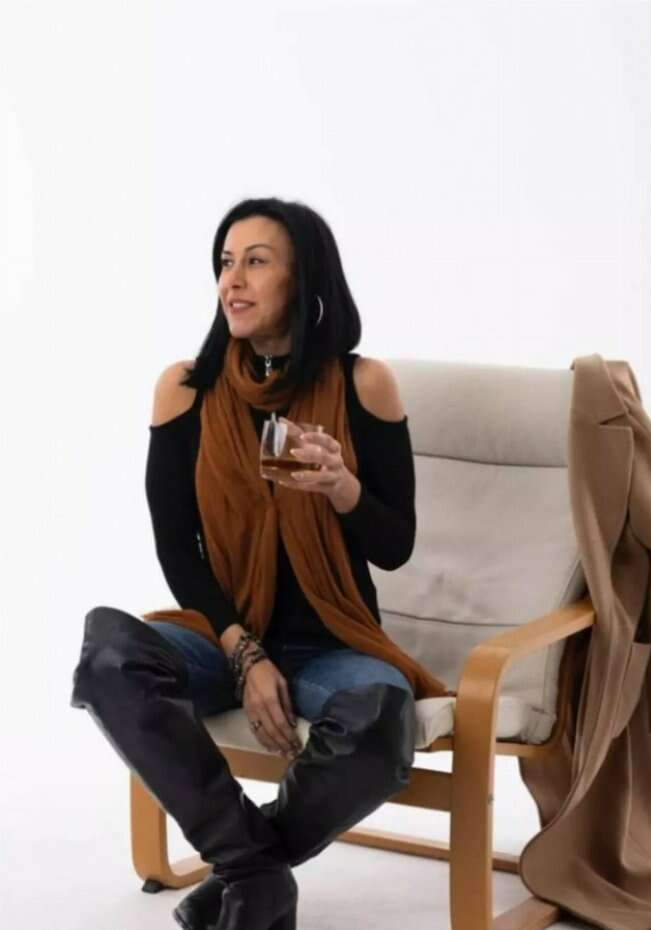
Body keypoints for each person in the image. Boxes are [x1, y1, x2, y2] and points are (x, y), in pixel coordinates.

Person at [69, 197, 453, 930]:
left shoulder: (364, 384)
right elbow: (177, 547)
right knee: (109, 654)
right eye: (225, 262)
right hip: (224, 634)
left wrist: (343, 488)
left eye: (255, 261)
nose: (232, 280)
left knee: (381, 717)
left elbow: (395, 545)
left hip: (332, 643)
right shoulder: (185, 389)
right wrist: (244, 653)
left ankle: (244, 872)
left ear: (302, 277)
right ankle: (254, 873)